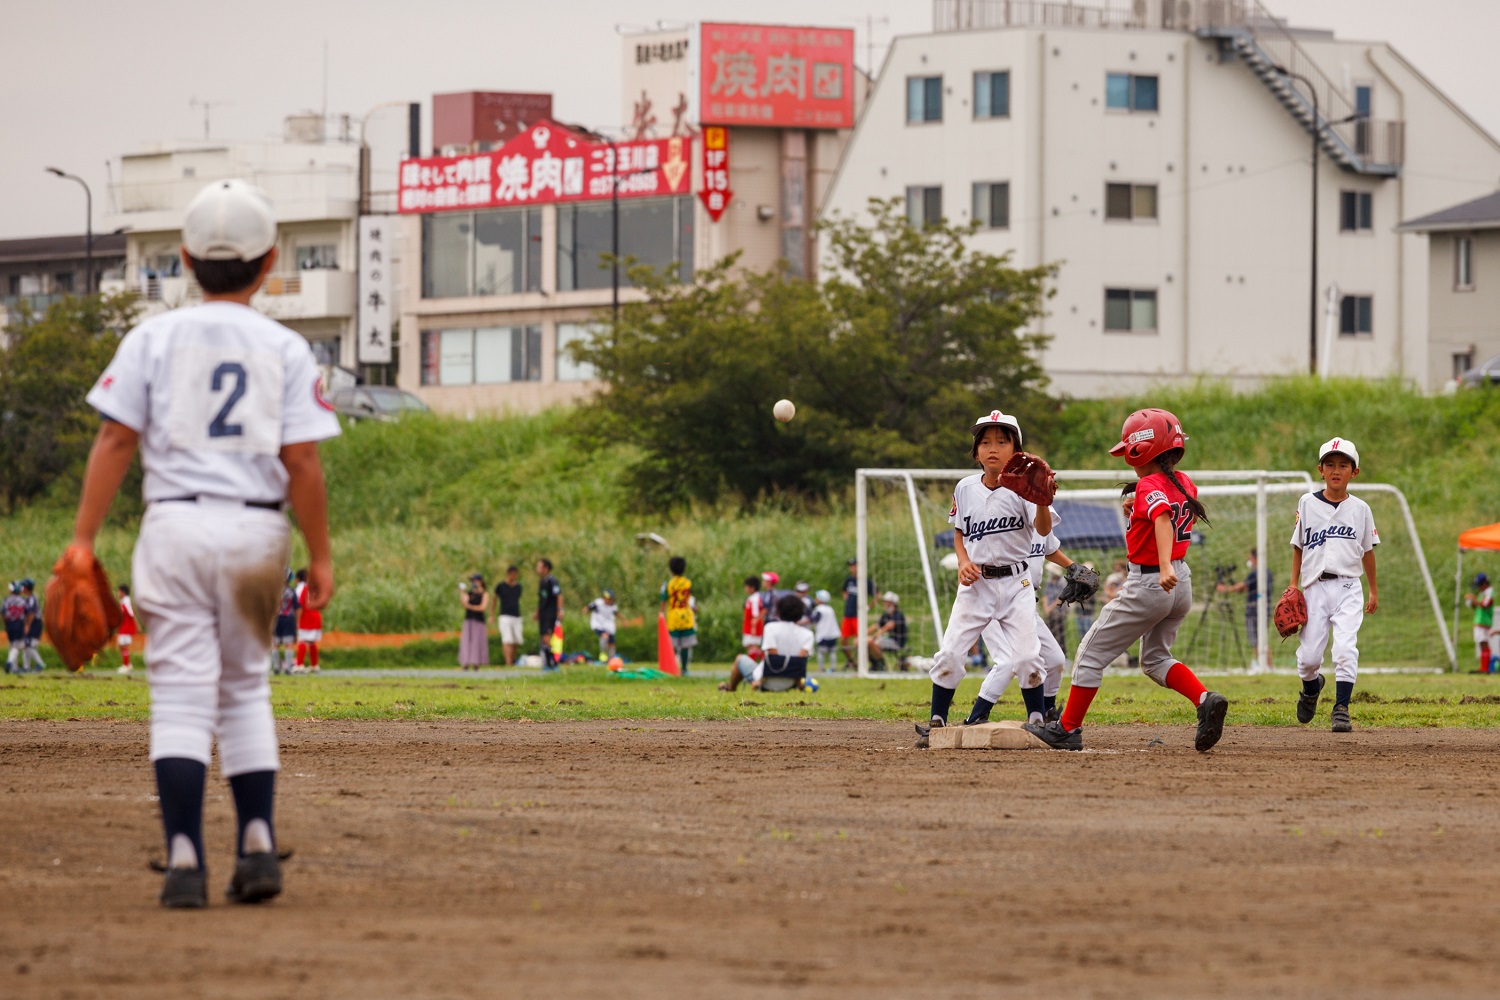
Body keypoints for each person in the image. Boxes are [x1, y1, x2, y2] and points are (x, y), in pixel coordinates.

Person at [67, 177, 339, 907]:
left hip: (176, 526)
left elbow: (116, 439)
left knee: (182, 696)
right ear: (270, 261)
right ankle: (257, 845)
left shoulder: (151, 338)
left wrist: (83, 539)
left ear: (185, 260)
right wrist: (320, 555)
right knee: (245, 687)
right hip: (256, 529)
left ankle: (185, 860)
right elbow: (302, 462)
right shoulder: (286, 347)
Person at [1025, 408, 1229, 753]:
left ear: (1141, 450)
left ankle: (1067, 729)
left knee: (1089, 655)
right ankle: (1204, 699)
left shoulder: (1148, 484)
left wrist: (1162, 566)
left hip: (1153, 581)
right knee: (1155, 659)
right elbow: (1168, 514)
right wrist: (1138, 515)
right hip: (1181, 582)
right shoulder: (1183, 480)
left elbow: (1162, 518)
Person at [914, 410, 1051, 746]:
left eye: (1002, 442)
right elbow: (959, 531)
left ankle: (1038, 719)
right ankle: (936, 719)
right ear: (976, 452)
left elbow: (1043, 530)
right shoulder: (965, 488)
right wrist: (963, 561)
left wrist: (1042, 501)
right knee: (950, 653)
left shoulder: (1025, 490)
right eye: (985, 442)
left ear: (1016, 451)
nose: (993, 448)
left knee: (1026, 657)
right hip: (976, 586)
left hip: (1016, 584)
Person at [1289, 437, 1379, 732]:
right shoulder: (1307, 503)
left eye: (1343, 465)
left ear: (1355, 472)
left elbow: (1368, 551)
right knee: (1309, 659)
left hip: (1348, 587)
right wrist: (1293, 585)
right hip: (1314, 588)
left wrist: (1373, 590)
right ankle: (1311, 688)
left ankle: (1341, 709)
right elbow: (1298, 546)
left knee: (1344, 649)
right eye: (1330, 464)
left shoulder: (1361, 509)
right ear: (1320, 470)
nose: (1336, 470)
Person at [1217, 548, 1272, 656]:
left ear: (1256, 558)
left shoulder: (1256, 573)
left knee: (1256, 642)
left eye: (1250, 558)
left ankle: (1262, 662)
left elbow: (1241, 586)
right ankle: (1268, 664)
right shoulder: (1267, 572)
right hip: (1265, 610)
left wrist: (1224, 589)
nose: (1249, 560)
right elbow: (1244, 589)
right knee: (1262, 641)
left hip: (1253, 611)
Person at [757, 593, 818, 692]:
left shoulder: (770, 628)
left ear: (778, 611)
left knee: (740, 659)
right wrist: (800, 685)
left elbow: (773, 657)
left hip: (767, 681)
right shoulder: (808, 634)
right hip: (791, 683)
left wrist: (760, 681)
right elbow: (799, 662)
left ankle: (731, 688)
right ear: (801, 613)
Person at [659, 555, 696, 675]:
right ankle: (684, 669)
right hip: (686, 616)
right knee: (685, 645)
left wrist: (661, 614)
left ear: (671, 569)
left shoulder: (668, 584)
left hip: (673, 617)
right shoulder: (688, 583)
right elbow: (689, 598)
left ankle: (672, 667)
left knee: (672, 645)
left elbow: (663, 600)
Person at [840, 558, 873, 669]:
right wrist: (846, 598)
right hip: (847, 614)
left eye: (855, 566)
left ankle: (863, 663)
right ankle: (852, 662)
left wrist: (868, 607)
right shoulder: (849, 580)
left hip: (858, 616)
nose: (853, 568)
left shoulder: (866, 581)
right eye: (851, 566)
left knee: (859, 640)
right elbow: (844, 591)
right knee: (843, 640)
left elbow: (877, 595)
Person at [1463, 572, 1496, 674]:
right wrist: (1471, 602)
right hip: (1479, 621)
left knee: (1484, 643)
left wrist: (1474, 599)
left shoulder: (1489, 593)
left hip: (1483, 622)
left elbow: (1485, 604)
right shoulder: (1483, 593)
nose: (1479, 588)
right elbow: (1478, 606)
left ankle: (1485, 668)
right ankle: (1483, 667)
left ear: (1485, 583)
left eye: (1480, 585)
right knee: (1482, 644)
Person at [868, 592, 907, 672]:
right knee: (864, 642)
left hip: (896, 642)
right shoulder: (886, 615)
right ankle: (875, 664)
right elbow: (876, 625)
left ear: (892, 604)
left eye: (886, 602)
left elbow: (888, 627)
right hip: (887, 640)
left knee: (872, 642)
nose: (884, 603)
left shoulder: (898, 615)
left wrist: (874, 636)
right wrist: (862, 634)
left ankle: (882, 665)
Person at [534, 559, 562, 671]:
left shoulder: (552, 580)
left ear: (545, 568)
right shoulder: (542, 581)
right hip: (543, 613)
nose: (537, 569)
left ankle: (553, 663)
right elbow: (542, 598)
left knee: (547, 638)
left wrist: (560, 610)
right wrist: (537, 611)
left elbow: (559, 595)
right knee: (543, 638)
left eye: (539, 566)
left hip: (550, 613)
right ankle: (547, 663)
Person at [293, 568, 323, 673]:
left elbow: (299, 605)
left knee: (302, 640)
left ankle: (299, 664)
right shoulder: (315, 588)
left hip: (307, 617)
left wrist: (297, 620)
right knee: (311, 642)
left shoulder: (302, 589)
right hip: (316, 616)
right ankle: (314, 665)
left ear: (297, 579)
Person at [459, 573, 489, 671]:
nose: (473, 583)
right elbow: (464, 603)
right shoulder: (470, 594)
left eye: (475, 581)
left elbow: (482, 607)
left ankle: (476, 662)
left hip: (478, 620)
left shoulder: (484, 594)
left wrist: (471, 607)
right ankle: (466, 662)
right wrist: (462, 592)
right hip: (469, 620)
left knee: (477, 642)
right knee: (466, 641)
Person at [494, 565, 523, 666]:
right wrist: (492, 614)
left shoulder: (518, 587)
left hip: (516, 615)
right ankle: (508, 662)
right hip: (505, 615)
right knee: (507, 639)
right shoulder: (501, 586)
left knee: (516, 640)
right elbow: (494, 599)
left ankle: (512, 660)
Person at [271, 570, 298, 675]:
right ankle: (288, 667)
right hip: (288, 619)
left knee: (275, 644)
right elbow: (297, 607)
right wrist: (297, 621)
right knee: (288, 643)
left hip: (276, 618)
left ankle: (276, 667)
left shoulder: (274, 591)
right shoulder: (292, 592)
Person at [810, 589, 841, 673]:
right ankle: (833, 668)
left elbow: (814, 620)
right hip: (832, 633)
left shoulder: (819, 609)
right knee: (832, 652)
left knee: (821, 652)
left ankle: (821, 668)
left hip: (823, 633)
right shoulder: (830, 609)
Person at [1042, 563, 1069, 656]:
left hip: (1059, 612)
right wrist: (1046, 608)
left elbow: (1060, 598)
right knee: (1049, 634)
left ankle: (1063, 655)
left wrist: (1050, 608)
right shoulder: (1048, 582)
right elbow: (1045, 596)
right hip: (1049, 613)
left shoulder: (1062, 582)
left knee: (1060, 635)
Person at [19, 578, 45, 673]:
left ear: (26, 588)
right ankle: (26, 667)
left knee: (29, 645)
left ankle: (40, 664)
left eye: (23, 587)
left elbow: (31, 614)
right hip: (32, 623)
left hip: (34, 624)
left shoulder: (32, 599)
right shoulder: (29, 599)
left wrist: (27, 625)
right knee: (26, 645)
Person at [586, 589, 619, 661]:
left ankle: (611, 659)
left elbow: (616, 613)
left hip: (608, 626)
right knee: (605, 636)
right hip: (598, 625)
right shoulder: (598, 603)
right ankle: (603, 655)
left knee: (611, 643)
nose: (608, 600)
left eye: (610, 599)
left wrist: (624, 620)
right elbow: (588, 608)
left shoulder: (613, 606)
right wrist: (586, 610)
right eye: (607, 598)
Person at [4, 582, 27, 674]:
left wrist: (6, 623)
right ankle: (9, 662)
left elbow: (3, 613)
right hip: (19, 624)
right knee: (17, 646)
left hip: (9, 623)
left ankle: (14, 668)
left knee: (12, 644)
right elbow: (28, 613)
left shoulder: (7, 600)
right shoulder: (23, 601)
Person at [117, 583, 140, 674]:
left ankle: (126, 666)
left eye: (119, 591)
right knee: (121, 645)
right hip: (123, 626)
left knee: (123, 645)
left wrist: (137, 625)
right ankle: (128, 664)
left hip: (127, 627)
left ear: (123, 592)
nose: (118, 593)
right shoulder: (123, 601)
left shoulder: (127, 601)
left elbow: (131, 613)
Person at [741, 575, 765, 653]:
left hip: (752, 627)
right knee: (749, 646)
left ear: (752, 587)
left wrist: (753, 628)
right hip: (748, 625)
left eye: (747, 586)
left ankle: (761, 658)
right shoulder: (751, 597)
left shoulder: (755, 599)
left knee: (752, 647)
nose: (745, 588)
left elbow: (756, 615)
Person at [1073, 563, 1098, 637]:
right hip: (1079, 613)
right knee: (1081, 635)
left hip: (1088, 614)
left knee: (1088, 635)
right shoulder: (1078, 583)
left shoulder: (1093, 583)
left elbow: (1091, 598)